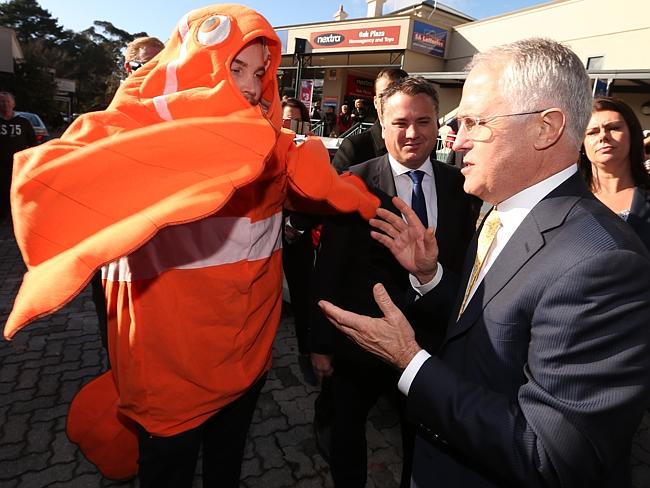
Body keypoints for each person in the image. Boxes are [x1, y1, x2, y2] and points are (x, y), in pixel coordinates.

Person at [5, 5, 378, 487]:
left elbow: (338, 191)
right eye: (235, 67)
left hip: (245, 363)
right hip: (168, 379)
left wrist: (377, 204)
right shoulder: (133, 131)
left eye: (260, 72)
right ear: (196, 65)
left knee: (225, 471)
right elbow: (47, 180)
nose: (249, 86)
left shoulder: (277, 147)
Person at [319, 38, 650, 487]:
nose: (457, 137)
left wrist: (411, 363)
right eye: (458, 122)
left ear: (545, 128)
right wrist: (431, 277)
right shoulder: (499, 208)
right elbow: (487, 323)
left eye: (476, 121)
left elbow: (551, 455)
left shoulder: (603, 263)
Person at [310, 76, 479, 488]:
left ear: (438, 124)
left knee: (421, 437)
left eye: (424, 122)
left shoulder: (462, 185)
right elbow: (329, 266)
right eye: (400, 122)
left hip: (429, 343)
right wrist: (320, 344)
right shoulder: (353, 181)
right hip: (361, 343)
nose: (412, 133)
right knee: (348, 430)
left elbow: (463, 262)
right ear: (381, 124)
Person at [92, 34, 167, 354]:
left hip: (165, 254)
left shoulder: (176, 119)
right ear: (127, 67)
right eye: (143, 66)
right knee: (120, 341)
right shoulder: (103, 122)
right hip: (116, 253)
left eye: (159, 66)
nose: (151, 73)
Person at [281, 96, 319, 385]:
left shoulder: (310, 149)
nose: (289, 125)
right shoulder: (261, 145)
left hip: (296, 238)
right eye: (284, 120)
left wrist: (296, 225)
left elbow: (318, 193)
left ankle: (306, 353)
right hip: (263, 236)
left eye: (295, 119)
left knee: (304, 297)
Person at [579, 96, 650, 249]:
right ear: (582, 145)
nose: (603, 136)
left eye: (614, 128)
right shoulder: (566, 200)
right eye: (592, 132)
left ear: (633, 136)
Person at [332, 68, 408, 172]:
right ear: (375, 102)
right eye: (383, 96)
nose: (390, 102)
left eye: (396, 95)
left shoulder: (421, 145)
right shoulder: (354, 147)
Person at [0, 91, 36, 222]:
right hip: (1, 164)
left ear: (13, 104)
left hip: (19, 163)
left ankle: (18, 212)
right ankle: (3, 213)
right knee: (2, 187)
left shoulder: (23, 122)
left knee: (18, 187)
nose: (5, 105)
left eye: (7, 102)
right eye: (2, 102)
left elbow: (33, 142)